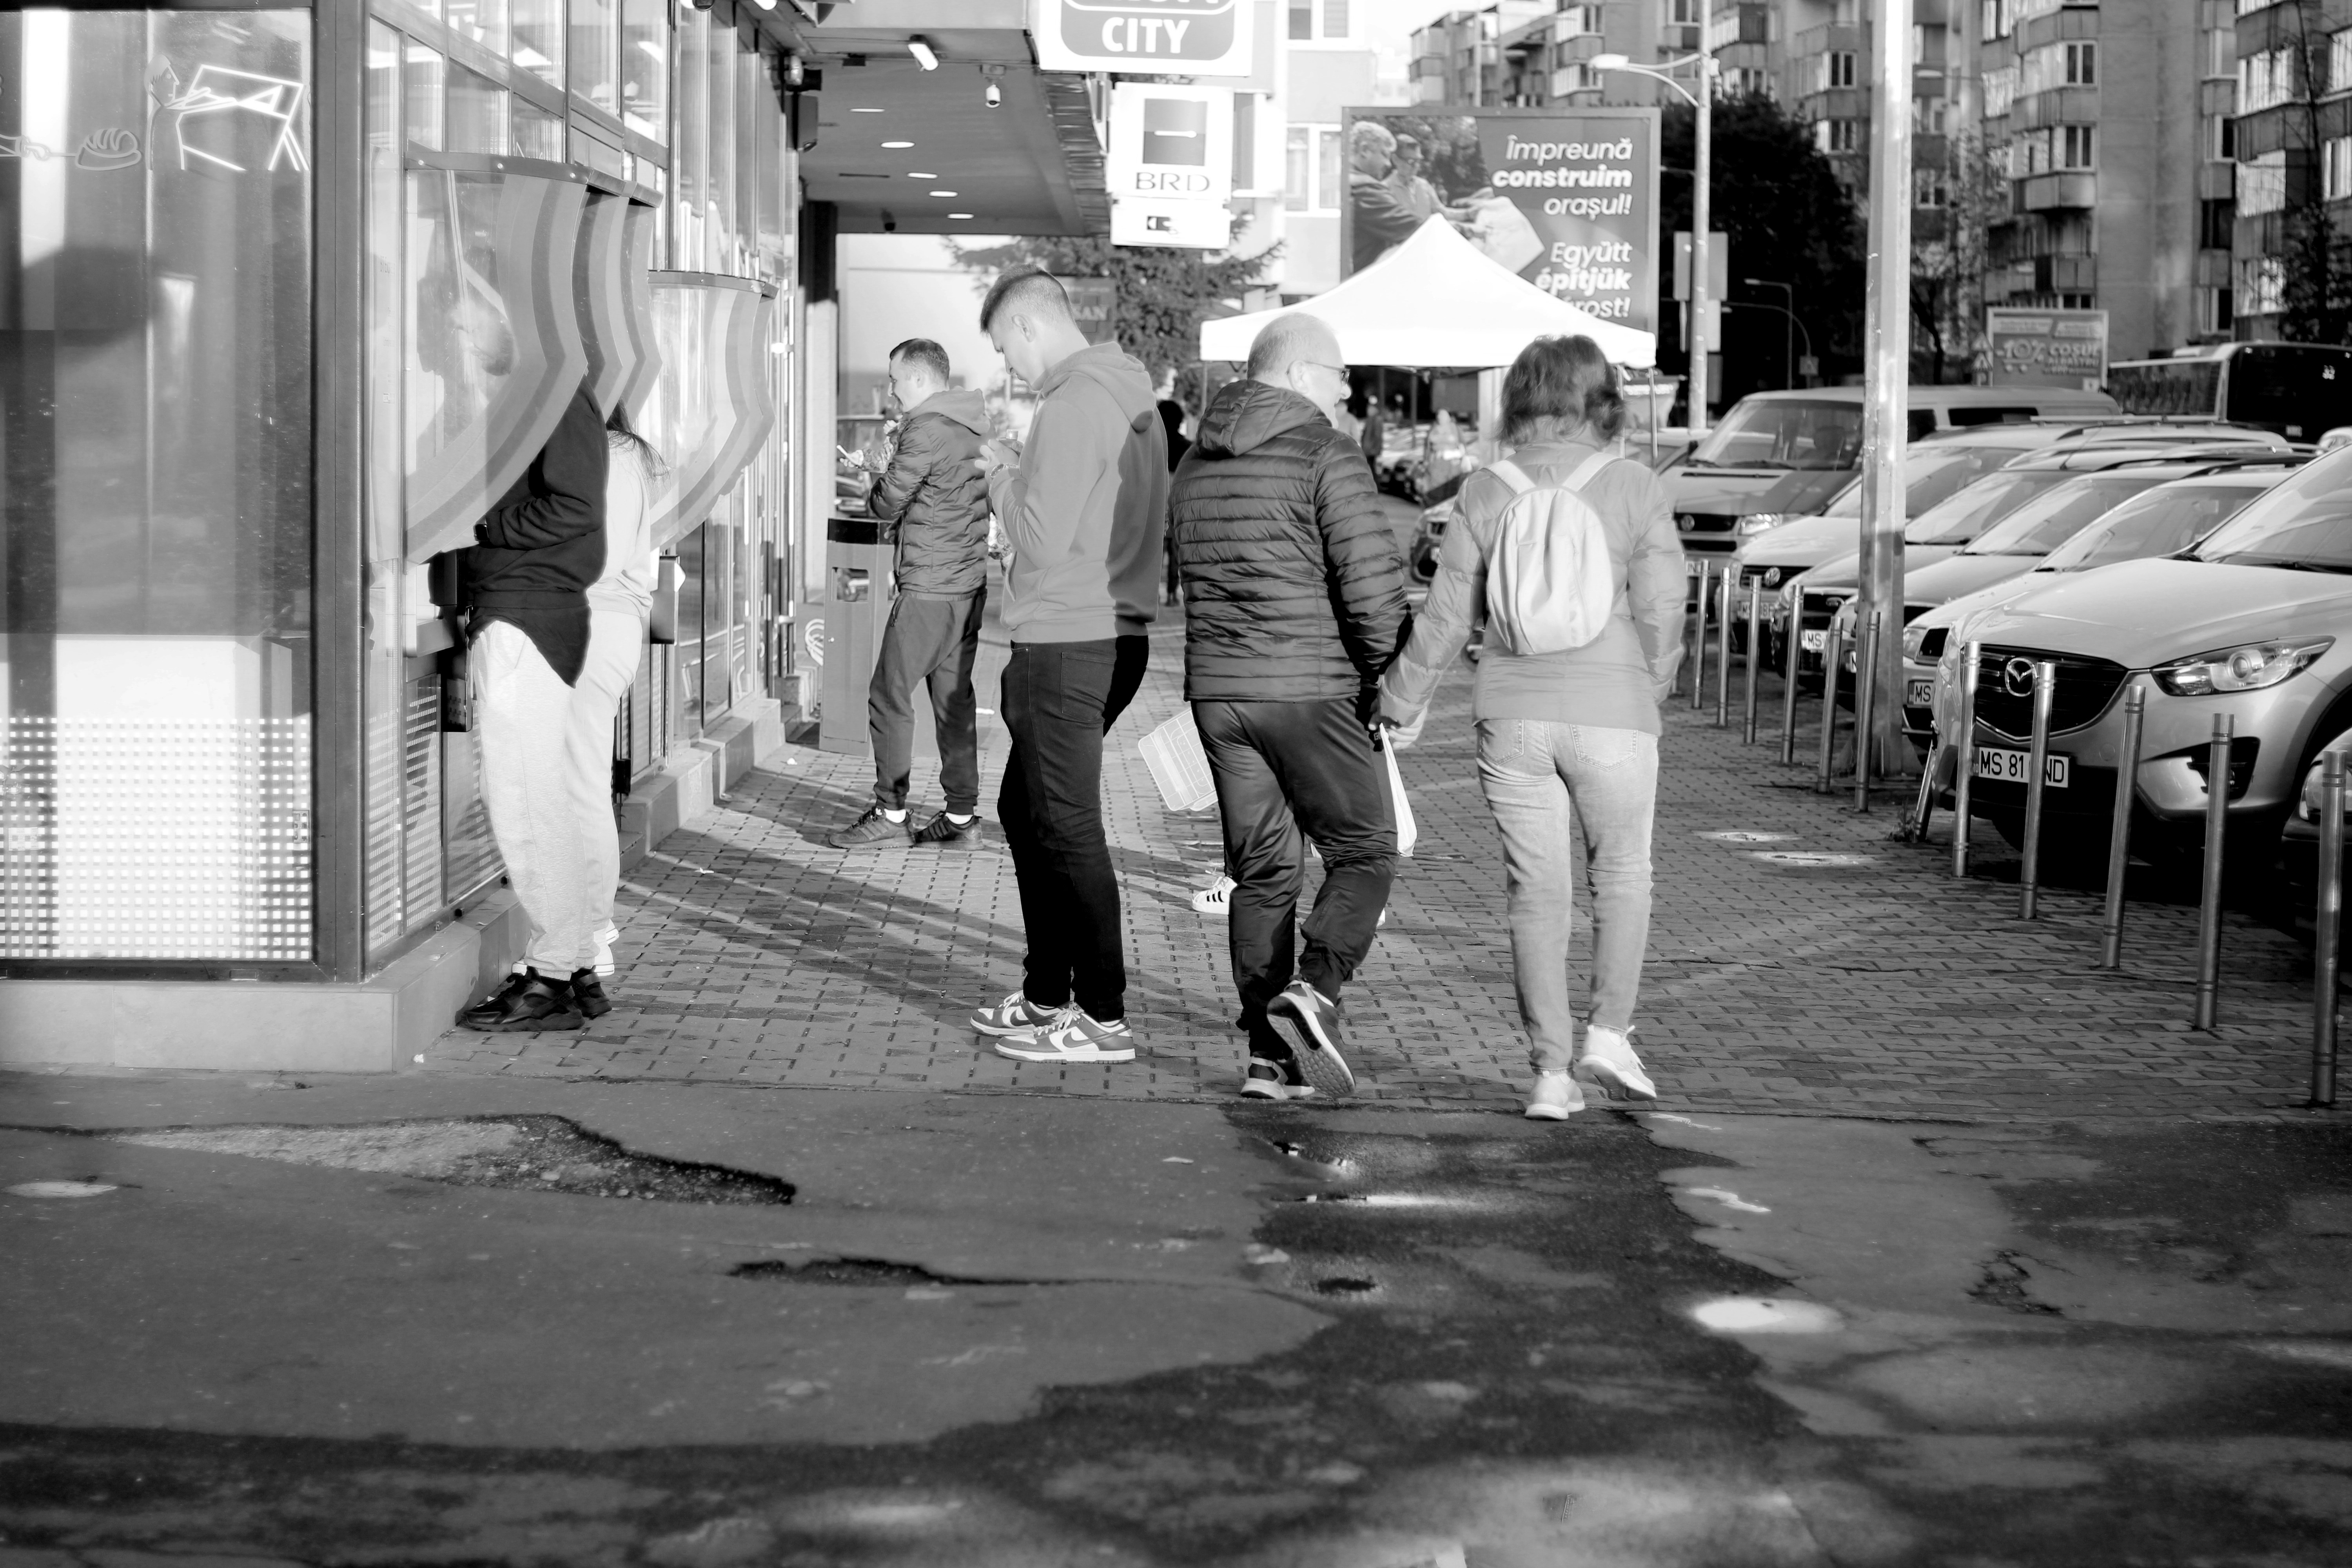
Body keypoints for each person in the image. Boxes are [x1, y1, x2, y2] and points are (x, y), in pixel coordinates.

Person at [1378, 335, 1684, 1119]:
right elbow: (1662, 607)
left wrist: (1401, 700)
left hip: (1511, 712)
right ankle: (1608, 1033)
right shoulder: (1633, 485)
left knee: (1535, 894)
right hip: (1613, 709)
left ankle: (1550, 1072)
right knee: (1622, 872)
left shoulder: (1487, 488)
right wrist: (1648, 690)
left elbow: (1447, 616)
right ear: (1601, 402)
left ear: (1520, 400)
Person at [1169, 314, 1412, 1100]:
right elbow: (1372, 590)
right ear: (1303, 372)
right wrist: (1388, 680)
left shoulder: (1195, 460)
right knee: (1365, 852)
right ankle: (1314, 989)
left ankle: (1268, 1060)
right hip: (1311, 689)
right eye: (1341, 375)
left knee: (1263, 874)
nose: (1347, 391)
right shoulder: (1324, 452)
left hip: (1221, 695)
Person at [967, 268, 1168, 1064]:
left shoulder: (1073, 403)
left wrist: (997, 472)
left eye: (1004, 350)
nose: (1009, 368)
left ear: (1027, 326)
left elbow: (1039, 536)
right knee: (1027, 811)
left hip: (1066, 636)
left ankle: (1101, 1016)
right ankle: (1049, 991)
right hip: (1112, 629)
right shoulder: (1127, 392)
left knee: (1066, 824)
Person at [454, 378, 610, 1032]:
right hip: (526, 612)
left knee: (524, 800)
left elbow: (577, 508)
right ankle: (571, 963)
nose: (459, 332)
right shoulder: (540, 390)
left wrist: (480, 523)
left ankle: (550, 976)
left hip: (525, 615)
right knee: (537, 798)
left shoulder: (551, 390)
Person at [829, 338, 993, 851]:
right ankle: (961, 817)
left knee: (888, 695)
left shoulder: (923, 428)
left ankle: (891, 813)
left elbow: (885, 505)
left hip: (929, 588)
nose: (892, 391)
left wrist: (877, 469)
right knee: (954, 702)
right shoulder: (973, 424)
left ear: (920, 379)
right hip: (967, 585)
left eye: (895, 380)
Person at [1347, 121, 1421, 273]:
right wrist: (1465, 230)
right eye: (1385, 155)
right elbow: (1413, 228)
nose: (1388, 164)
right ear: (1365, 150)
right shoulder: (1366, 190)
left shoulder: (1342, 181)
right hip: (1364, 278)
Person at [1158, 397, 1191, 606]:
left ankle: (1153, 593)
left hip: (1155, 508)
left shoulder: (1153, 445)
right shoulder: (1187, 448)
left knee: (1154, 554)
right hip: (1180, 507)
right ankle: (1172, 595)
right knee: (1175, 555)